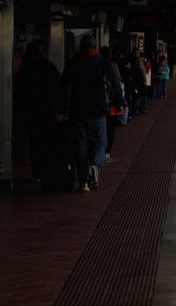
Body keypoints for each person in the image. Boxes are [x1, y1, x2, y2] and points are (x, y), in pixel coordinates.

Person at [64, 35, 125, 190]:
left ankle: (84, 181)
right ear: (95, 48)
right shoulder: (104, 63)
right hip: (98, 110)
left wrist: (62, 109)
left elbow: (64, 87)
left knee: (81, 146)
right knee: (100, 143)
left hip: (77, 111)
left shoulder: (73, 63)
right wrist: (119, 103)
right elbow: (115, 84)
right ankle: (96, 166)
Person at [18, 41, 64, 183]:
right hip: (49, 112)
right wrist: (60, 110)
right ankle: (50, 171)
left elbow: (20, 92)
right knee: (50, 141)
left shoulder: (24, 70)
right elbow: (59, 89)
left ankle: (37, 172)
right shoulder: (48, 67)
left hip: (31, 112)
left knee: (35, 143)